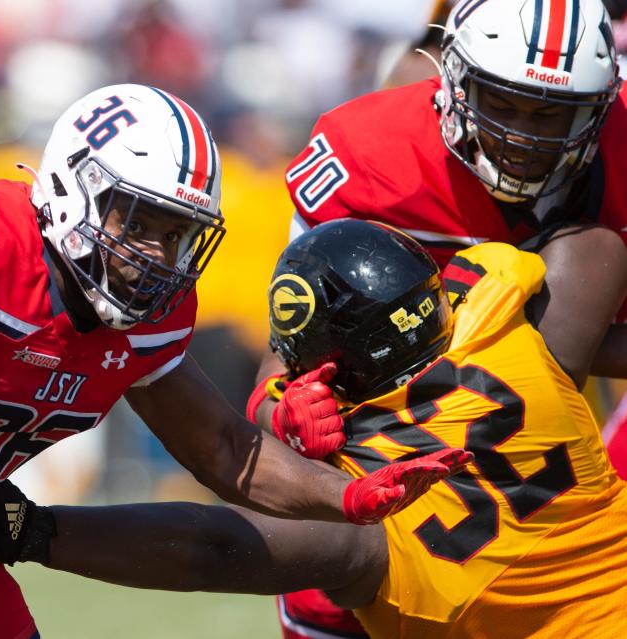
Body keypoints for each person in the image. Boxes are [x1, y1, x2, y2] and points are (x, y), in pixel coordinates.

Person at [0, 84, 464, 639]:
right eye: (138, 220)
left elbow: (223, 450)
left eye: (177, 234)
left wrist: (349, 497)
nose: (154, 255)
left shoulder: (154, 312)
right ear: (72, 188)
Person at [0, 219, 627, 639]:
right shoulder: (498, 316)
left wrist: (35, 529)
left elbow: (211, 546)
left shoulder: (368, 510)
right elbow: (591, 248)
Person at [258, 1, 627, 633]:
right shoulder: (371, 154)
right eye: (503, 103)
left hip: (543, 447)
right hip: (384, 433)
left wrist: (523, 341)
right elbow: (282, 357)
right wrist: (285, 406)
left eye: (549, 114)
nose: (523, 136)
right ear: (451, 79)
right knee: (332, 589)